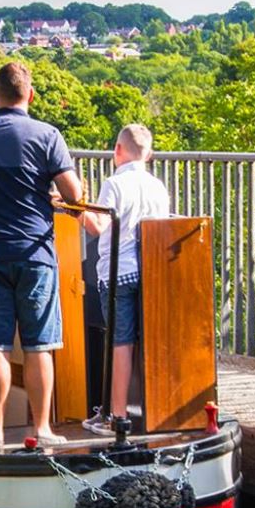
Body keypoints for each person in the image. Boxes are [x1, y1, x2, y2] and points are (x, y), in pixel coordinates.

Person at [0, 62, 85, 452]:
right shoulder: (47, 135)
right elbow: (74, 195)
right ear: (30, 96)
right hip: (35, 253)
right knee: (38, 345)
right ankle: (41, 429)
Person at [80, 124, 170, 436]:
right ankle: (156, 410)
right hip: (150, 272)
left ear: (117, 151)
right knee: (144, 342)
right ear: (150, 154)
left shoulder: (114, 184)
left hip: (117, 273)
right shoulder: (158, 187)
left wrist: (77, 208)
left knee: (119, 343)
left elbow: (98, 227)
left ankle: (116, 416)